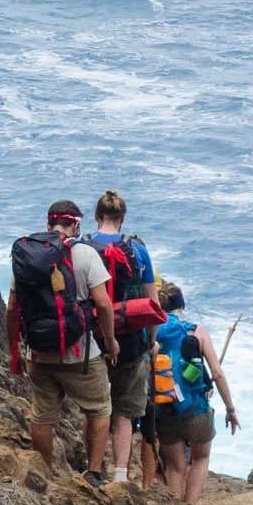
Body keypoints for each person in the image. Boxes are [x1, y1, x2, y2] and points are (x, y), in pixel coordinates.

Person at [7, 199, 117, 486]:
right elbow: (104, 305)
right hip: (80, 353)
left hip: (38, 351)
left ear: (48, 223)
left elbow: (12, 309)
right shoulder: (85, 254)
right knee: (99, 408)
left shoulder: (27, 255)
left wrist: (14, 351)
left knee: (42, 415)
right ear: (76, 225)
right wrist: (110, 339)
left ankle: (42, 472)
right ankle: (92, 473)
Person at [86, 190, 159, 487]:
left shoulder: (82, 246)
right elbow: (152, 300)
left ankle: (92, 465)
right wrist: (150, 341)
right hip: (131, 339)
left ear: (96, 216)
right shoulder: (137, 250)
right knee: (125, 411)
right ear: (123, 218)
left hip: (93, 338)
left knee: (94, 406)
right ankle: (119, 473)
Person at [147, 284, 239, 505]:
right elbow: (217, 373)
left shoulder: (151, 331)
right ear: (183, 306)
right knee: (200, 459)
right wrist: (230, 409)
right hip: (197, 408)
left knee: (175, 467)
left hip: (164, 407)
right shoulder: (197, 331)